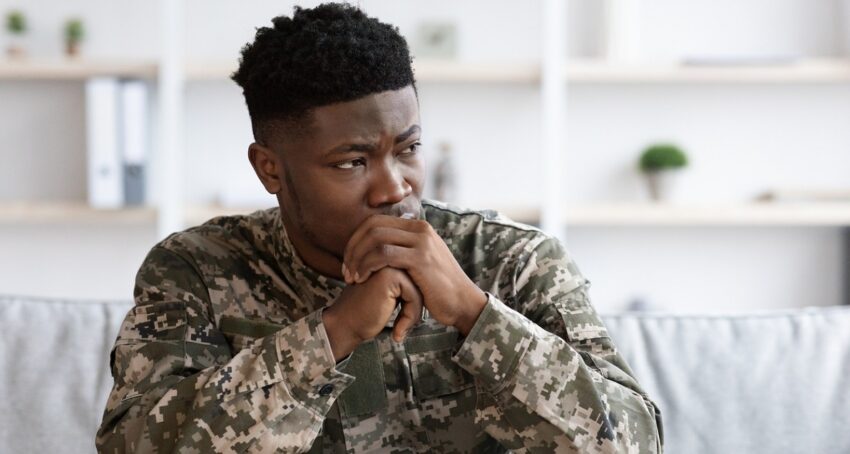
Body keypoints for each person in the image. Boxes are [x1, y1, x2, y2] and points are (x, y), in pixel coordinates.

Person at [96, 3, 663, 452]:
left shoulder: (515, 260)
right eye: (351, 162)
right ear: (270, 168)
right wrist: (332, 332)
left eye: (409, 148)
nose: (395, 188)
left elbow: (635, 444)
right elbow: (136, 444)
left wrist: (473, 312)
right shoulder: (195, 268)